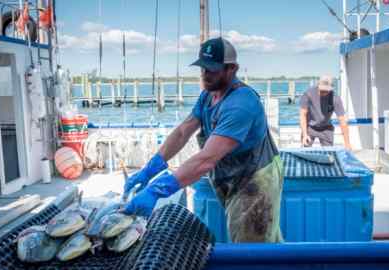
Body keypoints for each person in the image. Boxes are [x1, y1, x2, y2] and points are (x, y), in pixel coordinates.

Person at [123, 37, 284, 243]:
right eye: (203, 68)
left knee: (254, 248)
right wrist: (151, 167)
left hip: (255, 180)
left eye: (213, 69)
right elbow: (183, 131)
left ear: (232, 69)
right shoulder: (209, 95)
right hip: (233, 177)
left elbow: (206, 160)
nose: (206, 75)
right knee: (267, 241)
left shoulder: (241, 104)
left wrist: (158, 189)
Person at [299, 75, 351, 149]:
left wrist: (347, 143)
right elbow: (302, 115)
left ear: (331, 89)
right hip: (310, 127)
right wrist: (304, 134)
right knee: (305, 149)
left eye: (326, 91)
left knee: (329, 154)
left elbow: (342, 120)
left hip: (326, 128)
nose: (323, 93)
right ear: (318, 85)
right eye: (322, 90)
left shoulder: (335, 99)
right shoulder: (308, 94)